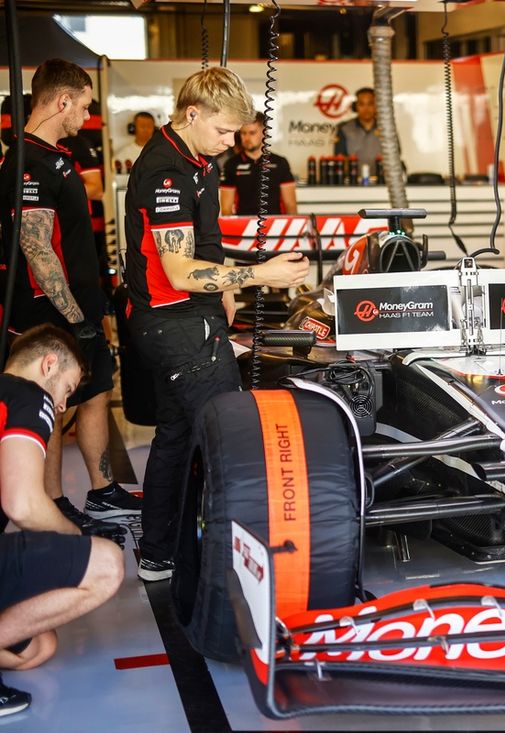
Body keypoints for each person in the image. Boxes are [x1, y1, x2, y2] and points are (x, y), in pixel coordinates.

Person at [124, 67, 310, 582]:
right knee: (232, 436)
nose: (230, 142)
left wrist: (226, 288)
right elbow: (180, 269)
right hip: (173, 322)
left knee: (178, 437)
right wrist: (258, 275)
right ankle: (235, 566)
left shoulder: (200, 160)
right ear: (192, 113)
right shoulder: (166, 170)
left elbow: (202, 243)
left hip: (190, 315)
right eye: (224, 131)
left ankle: (160, 553)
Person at [0, 59, 141, 531]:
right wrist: (74, 315)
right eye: (81, 106)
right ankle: (54, 499)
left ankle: (103, 494)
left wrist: (92, 306)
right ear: (62, 100)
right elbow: (36, 247)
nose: (84, 117)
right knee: (53, 399)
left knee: (97, 388)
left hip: (81, 304)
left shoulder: (57, 155)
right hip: (49, 311)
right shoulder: (28, 162)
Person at [0, 325, 125, 716]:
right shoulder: (29, 395)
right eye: (67, 390)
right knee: (105, 564)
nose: (60, 406)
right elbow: (21, 504)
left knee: (39, 646)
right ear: (48, 364)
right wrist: (75, 539)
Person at [219, 112, 298, 215]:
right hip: (243, 227)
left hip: (275, 226)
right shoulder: (231, 165)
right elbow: (226, 209)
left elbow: (291, 205)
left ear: (264, 132)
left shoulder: (280, 163)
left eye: (252, 133)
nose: (247, 138)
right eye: (243, 133)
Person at [333, 87, 397, 174]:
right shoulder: (344, 128)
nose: (366, 109)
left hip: (382, 181)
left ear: (376, 106)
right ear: (355, 107)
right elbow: (340, 158)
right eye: (361, 104)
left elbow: (395, 155)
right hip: (353, 183)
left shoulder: (387, 128)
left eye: (370, 104)